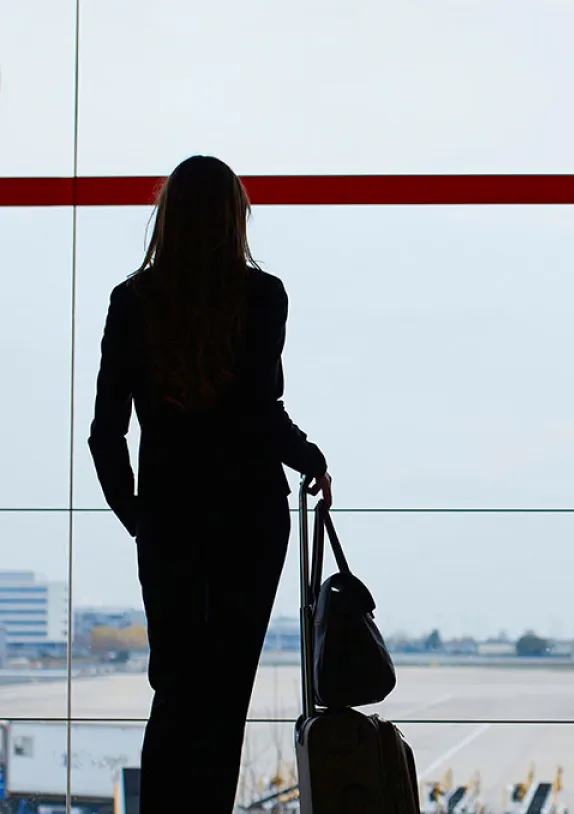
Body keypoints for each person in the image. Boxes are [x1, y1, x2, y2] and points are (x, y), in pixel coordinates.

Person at [88, 155, 333, 813]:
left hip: (170, 521)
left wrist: (140, 518)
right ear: (234, 219)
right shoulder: (263, 296)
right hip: (249, 519)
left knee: (174, 688)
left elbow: (106, 434)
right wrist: (310, 459)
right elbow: (261, 413)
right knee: (224, 696)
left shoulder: (132, 302)